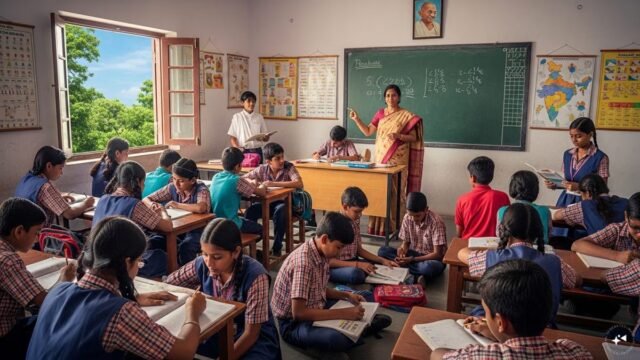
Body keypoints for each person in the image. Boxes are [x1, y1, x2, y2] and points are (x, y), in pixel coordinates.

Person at [26, 216, 206, 359]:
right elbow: (183, 352)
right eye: (139, 262)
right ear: (127, 262)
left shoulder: (59, 290)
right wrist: (193, 312)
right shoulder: (121, 314)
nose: (138, 267)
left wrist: (132, 299)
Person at [271, 212, 391, 354]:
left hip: (316, 304)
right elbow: (299, 313)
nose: (339, 254)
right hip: (293, 324)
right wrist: (344, 313)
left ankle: (355, 331)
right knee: (334, 339)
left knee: (365, 296)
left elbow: (319, 288)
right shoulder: (303, 263)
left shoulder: (321, 251)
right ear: (324, 239)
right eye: (339, 247)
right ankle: (358, 331)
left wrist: (346, 295)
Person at [166, 218, 281, 359]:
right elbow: (170, 283)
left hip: (250, 335)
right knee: (174, 345)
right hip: (218, 330)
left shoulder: (255, 276)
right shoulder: (201, 264)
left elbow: (251, 334)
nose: (209, 262)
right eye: (204, 254)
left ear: (236, 252)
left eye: (217, 257)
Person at [430, 260, 593, 359]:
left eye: (486, 312)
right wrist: (501, 335)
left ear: (501, 322)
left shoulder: (482, 355)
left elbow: (438, 354)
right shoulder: (575, 351)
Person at [458, 203, 579, 325]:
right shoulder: (554, 261)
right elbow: (576, 280)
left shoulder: (492, 257)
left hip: (499, 327)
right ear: (538, 231)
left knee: (479, 311)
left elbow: (461, 253)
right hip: (542, 328)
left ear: (502, 229)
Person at [0, 198, 75, 358]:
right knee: (67, 326)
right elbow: (47, 303)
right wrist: (64, 280)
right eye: (37, 233)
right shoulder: (7, 261)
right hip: (5, 338)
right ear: (19, 231)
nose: (37, 239)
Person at [349, 84, 424, 235]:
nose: (391, 98)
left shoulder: (407, 115)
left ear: (399, 97)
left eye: (394, 95)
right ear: (384, 98)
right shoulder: (380, 113)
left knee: (396, 193)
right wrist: (357, 119)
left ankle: (397, 228)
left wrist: (399, 136)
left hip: (398, 160)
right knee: (380, 191)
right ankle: (379, 229)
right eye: (388, 95)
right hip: (381, 159)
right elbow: (368, 131)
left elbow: (414, 137)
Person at [93, 161, 173, 277]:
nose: (144, 186)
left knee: (156, 240)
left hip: (98, 258)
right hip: (121, 263)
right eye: (143, 182)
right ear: (138, 182)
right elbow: (168, 227)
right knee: (163, 257)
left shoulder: (103, 199)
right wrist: (162, 211)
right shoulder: (134, 204)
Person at [145, 158, 210, 265]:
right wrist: (155, 205)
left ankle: (189, 276)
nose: (176, 184)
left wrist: (177, 205)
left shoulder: (201, 189)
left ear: (193, 180)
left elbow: (201, 207)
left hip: (198, 232)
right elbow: (146, 199)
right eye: (174, 179)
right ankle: (171, 271)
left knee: (186, 246)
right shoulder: (172, 187)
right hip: (178, 230)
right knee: (154, 241)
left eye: (181, 181)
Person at [243, 143, 303, 256]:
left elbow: (299, 183)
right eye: (277, 158)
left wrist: (273, 183)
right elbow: (243, 178)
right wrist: (253, 182)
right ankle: (252, 243)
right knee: (250, 211)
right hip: (267, 203)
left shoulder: (288, 167)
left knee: (280, 211)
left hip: (286, 204)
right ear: (268, 161)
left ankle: (277, 246)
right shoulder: (262, 169)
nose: (281, 160)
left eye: (282, 157)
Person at [329, 187, 398, 285]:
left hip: (353, 261)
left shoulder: (354, 221)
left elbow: (358, 250)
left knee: (381, 263)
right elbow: (329, 262)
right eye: (357, 211)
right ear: (345, 207)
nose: (360, 215)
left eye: (361, 211)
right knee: (356, 274)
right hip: (335, 267)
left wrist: (382, 260)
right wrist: (357, 265)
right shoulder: (333, 224)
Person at [378, 192, 447, 287]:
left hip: (432, 259)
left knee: (428, 268)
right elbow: (405, 243)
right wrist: (402, 251)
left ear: (426, 210)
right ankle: (416, 275)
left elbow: (438, 254)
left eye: (418, 216)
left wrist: (413, 259)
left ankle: (407, 272)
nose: (414, 219)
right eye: (411, 215)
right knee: (383, 251)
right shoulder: (407, 217)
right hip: (413, 255)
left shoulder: (436, 222)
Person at [15, 145, 95, 228]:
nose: (61, 173)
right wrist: (86, 203)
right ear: (49, 166)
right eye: (60, 168)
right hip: (38, 237)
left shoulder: (26, 179)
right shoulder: (45, 187)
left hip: (23, 234)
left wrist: (58, 199)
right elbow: (69, 214)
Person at [545, 117, 609, 208]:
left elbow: (603, 188)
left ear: (590, 134)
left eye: (578, 136)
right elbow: (566, 182)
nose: (574, 140)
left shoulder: (600, 157)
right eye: (571, 136)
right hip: (566, 200)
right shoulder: (567, 154)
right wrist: (554, 185)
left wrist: (579, 187)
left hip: (587, 204)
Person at [552, 174, 628, 240]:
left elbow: (555, 216)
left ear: (588, 193)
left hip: (600, 251)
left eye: (581, 194)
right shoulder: (626, 202)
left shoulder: (585, 206)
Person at [571, 192, 640, 264]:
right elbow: (577, 245)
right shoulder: (617, 230)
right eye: (635, 227)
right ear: (626, 216)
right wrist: (617, 256)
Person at [211, 147, 265, 235]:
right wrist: (264, 185)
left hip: (214, 223)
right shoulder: (237, 180)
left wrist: (250, 184)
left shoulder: (216, 177)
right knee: (261, 230)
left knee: (246, 219)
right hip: (230, 223)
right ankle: (239, 244)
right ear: (237, 166)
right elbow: (261, 192)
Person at [455, 156, 510, 238]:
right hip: (494, 246)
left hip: (468, 245)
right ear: (492, 176)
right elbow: (507, 225)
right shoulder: (503, 197)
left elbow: (459, 233)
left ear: (473, 178)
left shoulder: (462, 199)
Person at [497, 170, 551, 244]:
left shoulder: (503, 210)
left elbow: (498, 235)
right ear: (536, 189)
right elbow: (548, 234)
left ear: (512, 187)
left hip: (510, 252)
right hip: (540, 251)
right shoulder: (545, 211)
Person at [228, 91, 271, 164]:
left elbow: (266, 138)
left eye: (253, 101)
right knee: (245, 173)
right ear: (242, 103)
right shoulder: (237, 117)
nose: (251, 104)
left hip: (257, 151)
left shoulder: (259, 117)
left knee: (258, 173)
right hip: (244, 151)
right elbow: (232, 137)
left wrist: (265, 137)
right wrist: (237, 148)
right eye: (249, 101)